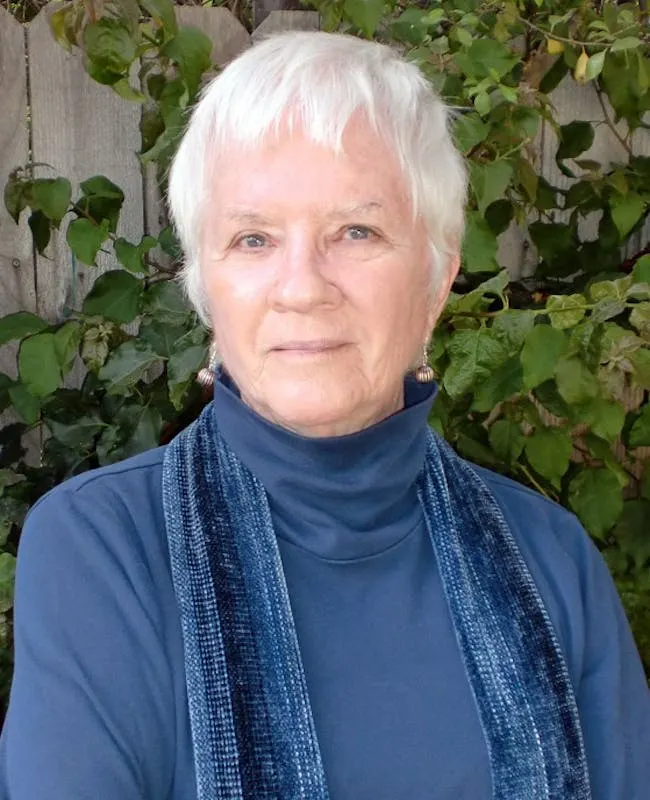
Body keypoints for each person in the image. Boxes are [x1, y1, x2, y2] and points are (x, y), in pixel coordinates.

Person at [1, 31, 649, 800]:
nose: (302, 286)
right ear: (207, 289)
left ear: (437, 281)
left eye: (357, 231)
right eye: (253, 239)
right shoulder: (102, 548)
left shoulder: (552, 559)